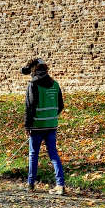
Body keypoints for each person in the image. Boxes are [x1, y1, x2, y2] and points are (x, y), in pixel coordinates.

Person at [22, 57, 65, 195]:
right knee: (53, 154)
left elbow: (30, 107)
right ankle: (60, 184)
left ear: (34, 71)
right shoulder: (55, 84)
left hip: (37, 126)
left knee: (33, 154)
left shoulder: (33, 84)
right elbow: (60, 106)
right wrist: (51, 117)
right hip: (51, 125)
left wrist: (27, 126)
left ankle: (31, 184)